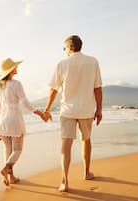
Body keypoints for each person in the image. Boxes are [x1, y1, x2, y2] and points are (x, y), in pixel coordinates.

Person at [41, 35, 103, 192]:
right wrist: (99, 109)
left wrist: (47, 109)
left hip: (68, 110)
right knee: (86, 140)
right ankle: (86, 172)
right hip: (87, 109)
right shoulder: (93, 61)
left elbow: (54, 89)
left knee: (66, 144)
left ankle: (64, 181)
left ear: (70, 47)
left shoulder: (62, 64)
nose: (64, 51)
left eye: (64, 48)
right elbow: (97, 88)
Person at [0, 58, 42, 186]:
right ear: (11, 70)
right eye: (15, 67)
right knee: (17, 150)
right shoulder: (16, 84)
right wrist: (39, 112)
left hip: (2, 120)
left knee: (8, 149)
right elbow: (25, 103)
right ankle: (6, 169)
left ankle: (10, 178)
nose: (17, 68)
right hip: (14, 119)